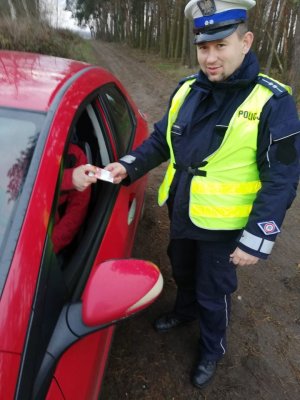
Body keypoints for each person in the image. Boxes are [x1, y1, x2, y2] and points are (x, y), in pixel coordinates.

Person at [74, 0, 300, 389]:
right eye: (203, 47)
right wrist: (127, 165)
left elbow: (282, 176)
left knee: (216, 292)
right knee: (181, 270)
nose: (210, 58)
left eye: (220, 45)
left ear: (246, 42)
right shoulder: (187, 90)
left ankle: (213, 348)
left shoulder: (273, 103)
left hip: (224, 227)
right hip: (182, 209)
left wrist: (258, 237)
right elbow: (161, 140)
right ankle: (184, 310)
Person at [52, 143, 93, 254]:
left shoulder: (74, 157)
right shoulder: (16, 150)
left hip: (49, 240)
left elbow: (77, 212)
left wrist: (50, 245)